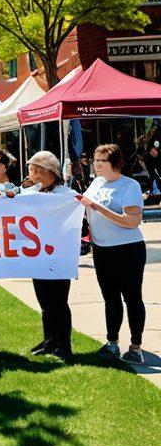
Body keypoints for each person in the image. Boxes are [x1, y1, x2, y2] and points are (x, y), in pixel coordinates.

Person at [77, 143, 147, 364]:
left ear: (115, 163)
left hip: (128, 251)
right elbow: (84, 207)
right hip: (103, 250)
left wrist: (98, 208)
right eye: (95, 160)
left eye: (101, 161)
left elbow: (132, 221)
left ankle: (136, 346)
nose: (96, 165)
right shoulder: (96, 183)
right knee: (110, 299)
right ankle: (112, 343)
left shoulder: (130, 186)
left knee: (132, 298)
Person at [19, 151, 73, 362]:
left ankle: (64, 345)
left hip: (57, 255)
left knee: (59, 301)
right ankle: (49, 340)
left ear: (44, 172)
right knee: (44, 301)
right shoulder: (32, 191)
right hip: (38, 255)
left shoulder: (65, 194)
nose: (30, 175)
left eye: (33, 170)